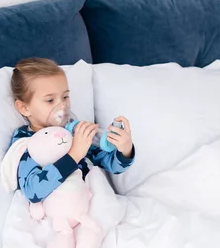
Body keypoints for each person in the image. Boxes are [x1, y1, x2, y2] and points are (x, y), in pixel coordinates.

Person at [10, 58, 135, 203]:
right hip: (58, 214)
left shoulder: (70, 131)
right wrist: (75, 154)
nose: (62, 106)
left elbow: (111, 165)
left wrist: (125, 150)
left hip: (90, 204)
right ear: (24, 108)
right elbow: (33, 191)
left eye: (65, 97)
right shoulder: (26, 142)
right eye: (50, 100)